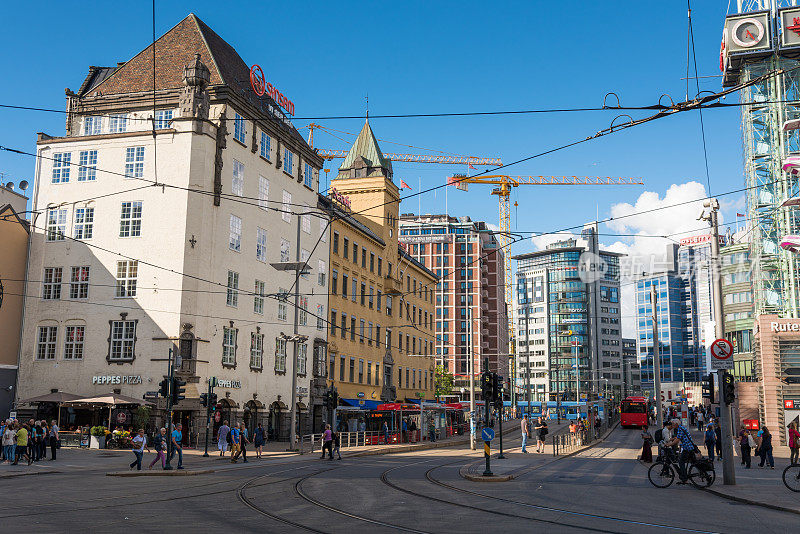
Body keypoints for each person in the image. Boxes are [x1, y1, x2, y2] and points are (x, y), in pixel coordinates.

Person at [663, 418, 700, 484]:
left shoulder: (680, 429)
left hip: (687, 448)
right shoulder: (681, 428)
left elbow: (677, 440)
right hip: (689, 447)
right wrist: (670, 444)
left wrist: (669, 444)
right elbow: (677, 438)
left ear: (676, 424)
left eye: (673, 424)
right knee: (694, 462)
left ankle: (684, 478)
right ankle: (702, 473)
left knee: (681, 462)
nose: (672, 426)